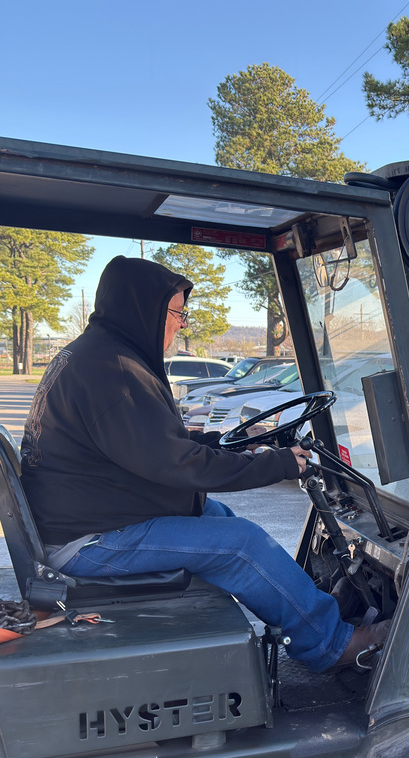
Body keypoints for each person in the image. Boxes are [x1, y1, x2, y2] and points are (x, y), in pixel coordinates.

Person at [20, 256, 389, 673]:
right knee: (238, 543)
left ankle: (310, 610)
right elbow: (176, 463)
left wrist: (228, 445)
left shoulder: (101, 356)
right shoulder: (113, 371)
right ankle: (331, 644)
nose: (182, 324)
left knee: (218, 517)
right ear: (144, 309)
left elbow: (156, 442)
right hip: (88, 542)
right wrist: (278, 465)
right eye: (176, 313)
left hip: (93, 516)